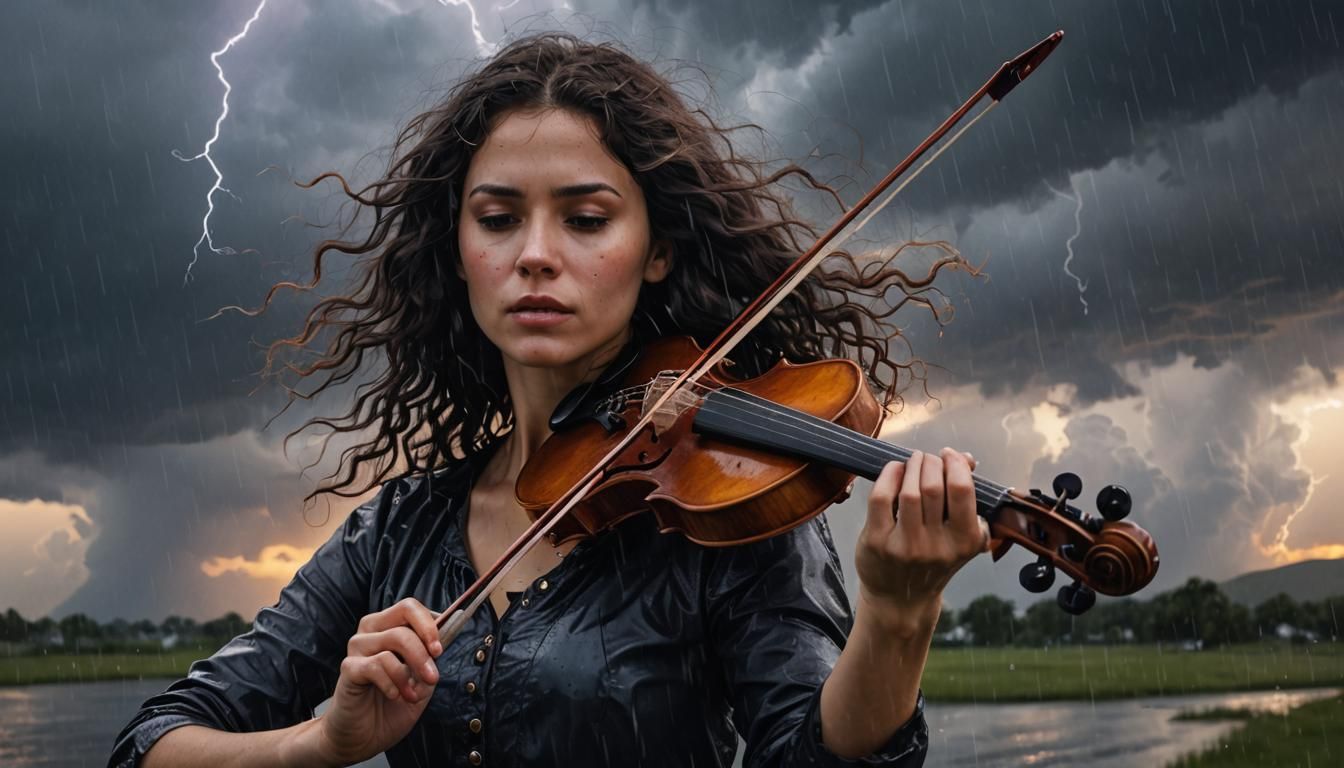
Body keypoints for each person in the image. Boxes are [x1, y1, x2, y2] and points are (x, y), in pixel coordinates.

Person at [110, 31, 987, 768]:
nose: (535, 254)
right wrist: (319, 744)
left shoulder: (728, 505)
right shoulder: (401, 530)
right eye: (497, 219)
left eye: (586, 218)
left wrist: (900, 618)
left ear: (658, 249)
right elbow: (153, 742)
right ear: (456, 251)